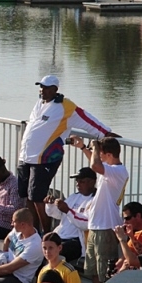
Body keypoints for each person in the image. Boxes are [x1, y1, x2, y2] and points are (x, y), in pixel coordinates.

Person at [18, 75, 114, 234]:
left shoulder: (66, 106)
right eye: (41, 87)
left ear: (55, 89)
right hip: (26, 156)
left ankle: (45, 233)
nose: (42, 90)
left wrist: (106, 133)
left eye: (46, 88)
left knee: (37, 197)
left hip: (44, 159)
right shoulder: (40, 103)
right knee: (26, 196)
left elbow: (88, 120)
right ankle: (33, 231)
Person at [69, 135, 128, 283]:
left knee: (105, 272)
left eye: (100, 153)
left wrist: (94, 146)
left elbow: (95, 165)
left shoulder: (118, 171)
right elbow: (95, 162)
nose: (98, 156)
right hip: (96, 226)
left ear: (108, 154)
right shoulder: (108, 169)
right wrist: (83, 147)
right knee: (95, 271)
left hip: (106, 227)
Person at [44, 167, 96, 262]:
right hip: (59, 236)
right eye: (77, 181)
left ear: (92, 182)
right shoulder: (73, 197)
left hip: (75, 240)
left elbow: (86, 224)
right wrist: (50, 205)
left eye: (81, 182)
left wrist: (68, 210)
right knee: (38, 250)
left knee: (54, 252)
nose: (78, 184)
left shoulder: (95, 200)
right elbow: (58, 215)